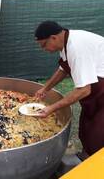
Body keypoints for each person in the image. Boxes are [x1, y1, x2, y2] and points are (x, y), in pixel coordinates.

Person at [34, 20, 104, 159]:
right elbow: (64, 69)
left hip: (101, 87)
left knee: (99, 130)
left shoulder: (76, 48)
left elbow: (84, 90)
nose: (44, 49)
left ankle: (96, 163)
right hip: (95, 88)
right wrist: (45, 88)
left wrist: (51, 108)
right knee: (87, 125)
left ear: (53, 37)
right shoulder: (67, 42)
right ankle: (88, 155)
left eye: (44, 45)